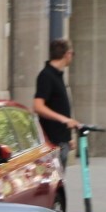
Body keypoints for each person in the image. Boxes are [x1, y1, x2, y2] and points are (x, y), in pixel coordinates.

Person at [33, 38, 81, 167]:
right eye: (72, 53)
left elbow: (59, 106)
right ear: (67, 54)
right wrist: (64, 120)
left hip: (61, 140)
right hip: (53, 142)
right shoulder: (46, 76)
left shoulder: (57, 75)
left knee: (59, 184)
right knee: (55, 184)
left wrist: (68, 137)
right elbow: (38, 106)